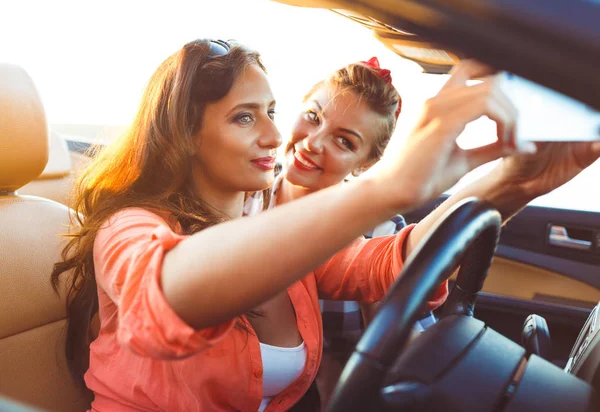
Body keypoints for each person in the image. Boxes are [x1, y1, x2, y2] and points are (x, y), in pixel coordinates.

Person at [50, 38, 598, 412]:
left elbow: (388, 262)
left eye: (271, 110)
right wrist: (386, 188)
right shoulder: (128, 228)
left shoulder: (277, 225)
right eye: (245, 117)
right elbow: (162, 296)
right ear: (186, 133)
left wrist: (516, 181)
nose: (274, 136)